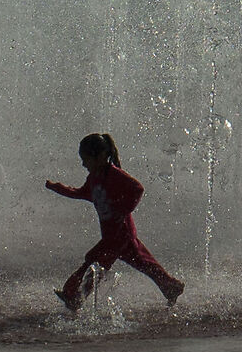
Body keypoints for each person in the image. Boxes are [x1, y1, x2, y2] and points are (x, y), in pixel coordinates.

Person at [46, 132, 183, 314]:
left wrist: (122, 210)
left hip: (120, 234)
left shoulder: (115, 176)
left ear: (101, 156)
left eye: (86, 159)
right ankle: (170, 286)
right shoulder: (94, 178)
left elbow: (138, 189)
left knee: (94, 262)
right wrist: (58, 188)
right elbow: (82, 193)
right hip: (114, 235)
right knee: (144, 263)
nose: (83, 164)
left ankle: (74, 296)